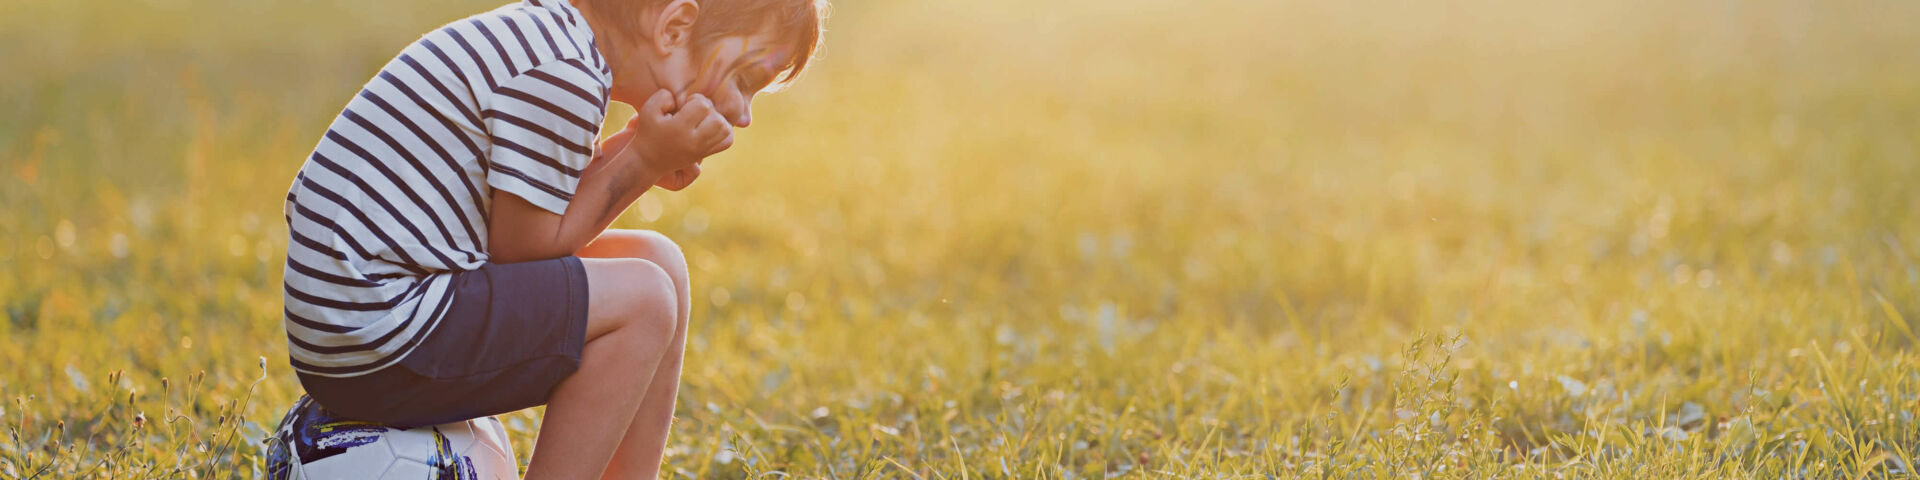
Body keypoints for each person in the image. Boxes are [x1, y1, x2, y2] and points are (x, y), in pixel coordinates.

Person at [278, 0, 826, 477]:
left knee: (660, 262)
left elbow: (539, 216)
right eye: (745, 81)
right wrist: (643, 159)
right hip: (376, 335)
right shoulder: (564, 74)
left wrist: (638, 151)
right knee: (643, 302)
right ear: (675, 28)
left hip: (362, 320)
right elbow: (523, 251)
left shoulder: (553, 43)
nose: (743, 114)